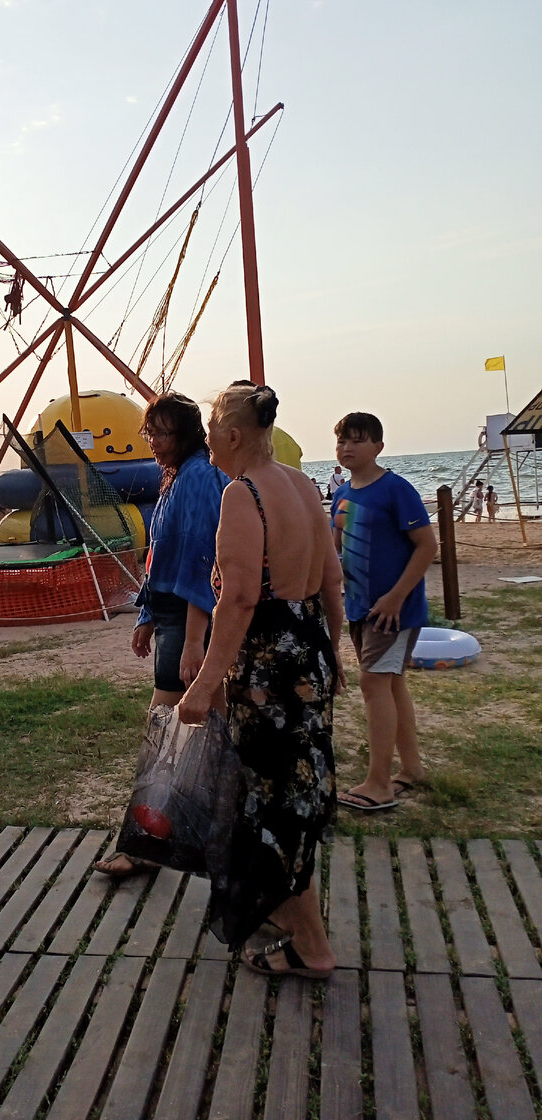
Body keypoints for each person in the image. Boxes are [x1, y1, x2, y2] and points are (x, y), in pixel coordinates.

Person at [177, 383, 342, 978]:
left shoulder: (243, 496)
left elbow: (241, 599)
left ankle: (313, 947)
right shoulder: (301, 485)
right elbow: (330, 580)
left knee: (274, 807)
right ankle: (298, 927)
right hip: (308, 658)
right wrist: (336, 652)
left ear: (233, 434)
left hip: (269, 669)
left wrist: (201, 687)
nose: (208, 441)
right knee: (296, 797)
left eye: (212, 429)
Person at [94, 392, 229, 879]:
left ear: (187, 435)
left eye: (160, 433)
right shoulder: (173, 477)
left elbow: (201, 560)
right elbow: (160, 555)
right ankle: (228, 830)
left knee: (163, 730)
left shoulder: (197, 479)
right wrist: (146, 613)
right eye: (149, 432)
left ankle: (144, 847)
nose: (152, 441)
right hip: (172, 612)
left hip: (191, 616)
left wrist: (194, 637)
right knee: (218, 727)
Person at [331, 411, 437, 812]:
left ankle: (379, 783)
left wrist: (395, 596)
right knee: (391, 685)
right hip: (359, 607)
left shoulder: (396, 489)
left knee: (374, 685)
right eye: (341, 440)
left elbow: (427, 546)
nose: (347, 447)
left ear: (378, 446)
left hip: (393, 611)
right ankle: (410, 769)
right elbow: (335, 550)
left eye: (357, 440)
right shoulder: (342, 494)